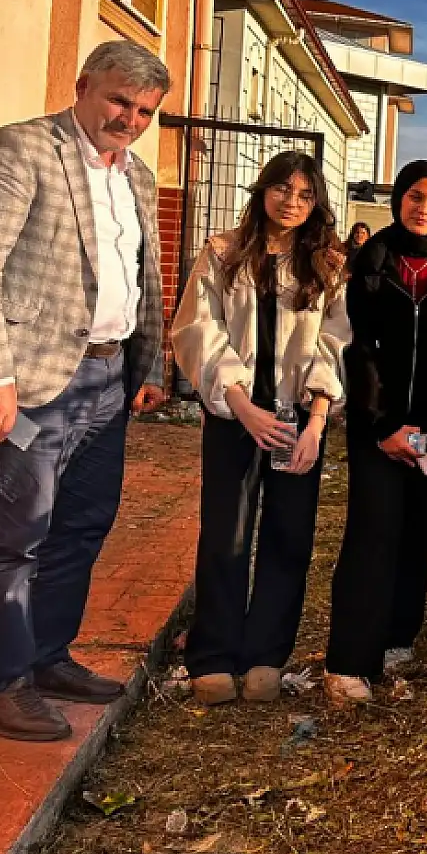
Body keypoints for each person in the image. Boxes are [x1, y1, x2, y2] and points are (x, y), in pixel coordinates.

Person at [0, 40, 170, 741]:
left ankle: (46, 657)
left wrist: (148, 367)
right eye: (119, 101)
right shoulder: (20, 151)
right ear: (83, 86)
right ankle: (0, 686)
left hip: (106, 379)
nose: (130, 119)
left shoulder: (138, 176)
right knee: (18, 536)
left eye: (145, 111)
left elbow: (143, 278)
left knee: (82, 525)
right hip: (30, 383)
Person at [171, 152, 350, 706]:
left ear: (317, 202)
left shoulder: (327, 266)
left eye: (305, 194)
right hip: (236, 417)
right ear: (262, 189)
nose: (291, 202)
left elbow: (334, 344)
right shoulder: (222, 254)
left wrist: (316, 423)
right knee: (225, 534)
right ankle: (213, 655)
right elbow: (200, 330)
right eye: (282, 189)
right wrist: (241, 405)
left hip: (298, 420)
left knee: (289, 536)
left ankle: (266, 655)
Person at [323, 161, 427, 704]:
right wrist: (384, 425)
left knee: (418, 533)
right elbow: (358, 350)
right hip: (380, 431)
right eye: (416, 197)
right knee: (373, 533)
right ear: (398, 200)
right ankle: (350, 661)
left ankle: (397, 637)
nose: (424, 209)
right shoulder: (371, 261)